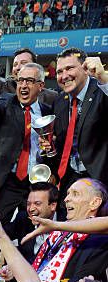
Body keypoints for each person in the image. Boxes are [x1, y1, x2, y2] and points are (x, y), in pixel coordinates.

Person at [0, 54, 53, 223]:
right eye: (20, 81)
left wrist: (49, 147)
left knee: (33, 229)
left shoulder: (48, 111)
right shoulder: (7, 102)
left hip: (36, 183)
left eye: (29, 81)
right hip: (6, 181)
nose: (23, 86)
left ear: (41, 86)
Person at [51, 49, 108, 200]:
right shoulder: (59, 101)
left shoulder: (102, 90)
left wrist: (104, 78)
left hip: (101, 180)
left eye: (69, 68)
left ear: (85, 68)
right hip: (69, 181)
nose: (64, 76)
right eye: (59, 71)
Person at [0, 27, 58, 105]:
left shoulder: (51, 97)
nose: (18, 67)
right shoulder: (4, 88)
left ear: (35, 67)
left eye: (23, 63)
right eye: (15, 64)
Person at [4, 181, 59, 264]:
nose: (31, 209)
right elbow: (2, 234)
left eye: (37, 204)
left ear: (52, 206)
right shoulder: (23, 218)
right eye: (28, 204)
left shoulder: (67, 223)